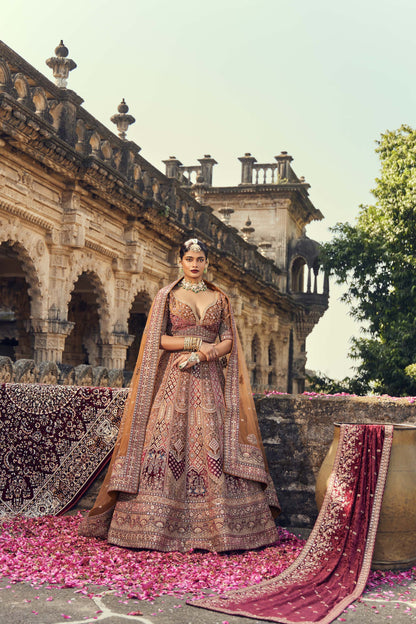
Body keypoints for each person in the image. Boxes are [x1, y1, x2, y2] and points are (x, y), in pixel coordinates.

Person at [79, 238, 280, 552]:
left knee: (213, 440)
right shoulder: (167, 296)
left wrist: (207, 353)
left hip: (209, 376)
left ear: (207, 262)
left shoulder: (220, 297)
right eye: (190, 258)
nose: (195, 264)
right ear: (181, 261)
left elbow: (229, 340)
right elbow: (157, 339)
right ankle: (152, 524)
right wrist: (192, 346)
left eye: (200, 259)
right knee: (164, 438)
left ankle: (221, 527)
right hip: (176, 376)